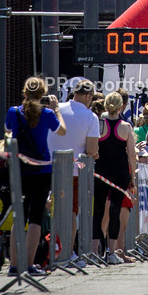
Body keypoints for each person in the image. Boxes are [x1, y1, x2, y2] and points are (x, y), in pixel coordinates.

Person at [5, 77, 67, 276]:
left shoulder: (14, 112)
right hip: (41, 170)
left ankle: (14, 265)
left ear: (24, 93)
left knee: (18, 215)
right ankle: (29, 264)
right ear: (43, 95)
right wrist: (56, 109)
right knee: (35, 218)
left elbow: (7, 130)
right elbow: (62, 131)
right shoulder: (47, 113)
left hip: (19, 169)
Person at [55, 78, 100, 262]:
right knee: (71, 213)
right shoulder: (91, 117)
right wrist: (94, 154)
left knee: (49, 212)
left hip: (48, 168)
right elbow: (91, 150)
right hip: (73, 171)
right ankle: (67, 251)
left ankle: (48, 250)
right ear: (88, 96)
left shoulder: (57, 109)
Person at [92, 91, 137, 265]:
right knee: (115, 211)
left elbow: (92, 147)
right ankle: (111, 252)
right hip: (119, 173)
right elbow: (132, 155)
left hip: (101, 171)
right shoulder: (126, 127)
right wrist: (132, 177)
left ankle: (94, 252)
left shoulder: (99, 125)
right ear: (121, 107)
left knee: (98, 210)